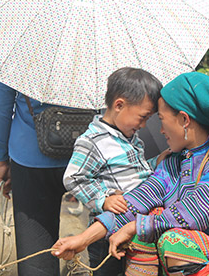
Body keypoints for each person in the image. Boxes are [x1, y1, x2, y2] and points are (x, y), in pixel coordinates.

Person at [53, 72, 209, 276]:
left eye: (163, 121)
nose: (160, 130)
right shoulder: (173, 163)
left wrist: (135, 227)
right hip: (201, 250)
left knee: (171, 239)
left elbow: (192, 213)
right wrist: (81, 240)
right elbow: (134, 203)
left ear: (184, 120)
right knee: (148, 221)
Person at [63, 67, 163, 275]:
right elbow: (73, 177)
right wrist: (103, 200)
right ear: (119, 105)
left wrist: (156, 162)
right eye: (142, 117)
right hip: (106, 233)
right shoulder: (92, 141)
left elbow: (136, 174)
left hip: (133, 226)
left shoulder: (131, 138)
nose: (144, 125)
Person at [0, 78, 71, 276]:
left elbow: (1, 105)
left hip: (31, 156)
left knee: (36, 256)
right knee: (99, 250)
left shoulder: (21, 50)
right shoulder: (99, 49)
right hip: (88, 153)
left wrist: (1, 160)